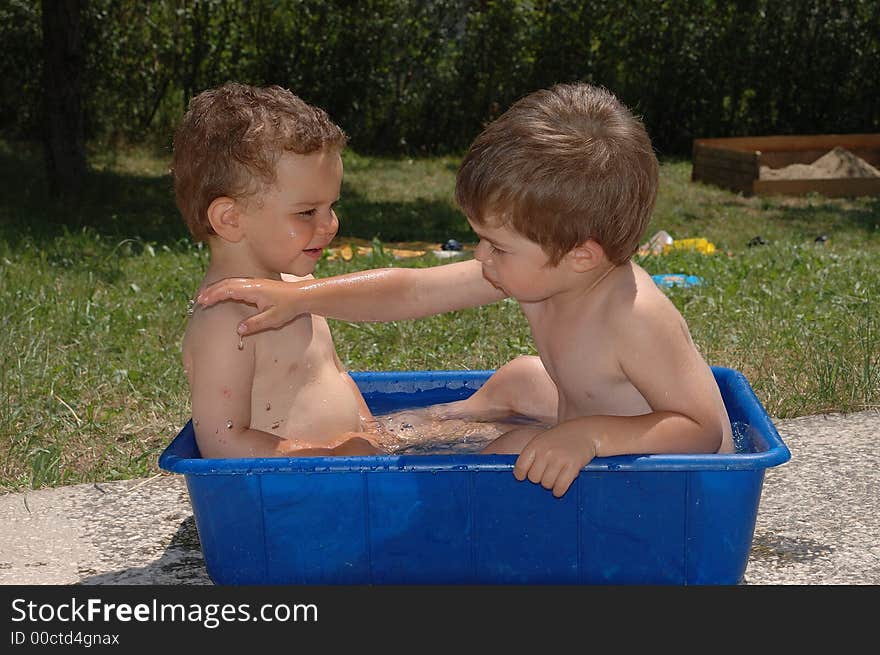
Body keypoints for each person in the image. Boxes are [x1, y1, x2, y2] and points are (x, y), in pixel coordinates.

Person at [197, 82, 734, 495]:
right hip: (593, 435)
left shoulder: (632, 316)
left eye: (497, 247)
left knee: (505, 457)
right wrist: (303, 297)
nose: (481, 259)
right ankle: (457, 420)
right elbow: (408, 292)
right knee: (522, 379)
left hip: (667, 477)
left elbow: (704, 430)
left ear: (580, 255)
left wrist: (591, 437)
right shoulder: (545, 273)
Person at [173, 82, 380, 458]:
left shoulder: (301, 286)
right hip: (283, 499)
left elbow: (336, 375)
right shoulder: (227, 321)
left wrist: (371, 432)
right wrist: (327, 457)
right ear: (231, 219)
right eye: (306, 212)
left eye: (331, 206)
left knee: (509, 388)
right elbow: (223, 443)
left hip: (347, 473)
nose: (331, 224)